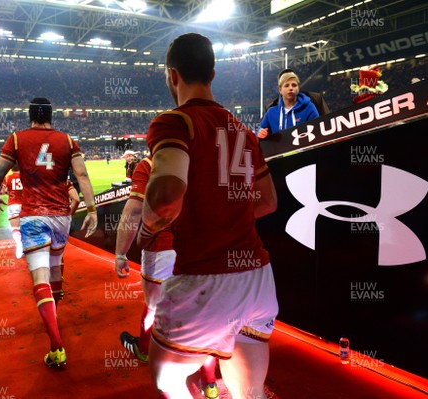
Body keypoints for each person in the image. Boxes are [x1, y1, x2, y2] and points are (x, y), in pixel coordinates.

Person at [140, 33, 278, 399]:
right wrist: (225, 210)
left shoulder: (174, 122)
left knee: (166, 380)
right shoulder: (243, 132)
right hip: (258, 280)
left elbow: (167, 195)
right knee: (251, 392)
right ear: (212, 73)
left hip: (206, 279)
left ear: (173, 75)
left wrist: (148, 225)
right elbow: (267, 202)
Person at [0, 97, 98, 369]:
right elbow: (82, 175)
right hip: (61, 216)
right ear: (51, 116)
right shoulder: (67, 140)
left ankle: (56, 346)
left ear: (30, 116)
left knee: (40, 277)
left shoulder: (16, 139)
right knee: (56, 270)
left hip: (34, 216)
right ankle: (54, 321)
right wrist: (92, 209)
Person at [115, 156, 220, 399]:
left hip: (161, 251)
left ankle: (144, 350)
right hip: (199, 248)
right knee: (203, 314)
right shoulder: (201, 161)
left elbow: (133, 210)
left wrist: (121, 253)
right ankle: (210, 382)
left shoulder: (149, 165)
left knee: (154, 309)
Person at [257, 71, 319, 139]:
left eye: (294, 85)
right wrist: (260, 132)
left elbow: (318, 131)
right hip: (279, 149)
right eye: (286, 85)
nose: (291, 88)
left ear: (298, 88)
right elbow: (260, 129)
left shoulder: (309, 108)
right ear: (280, 90)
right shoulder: (271, 112)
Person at [3, 163, 24, 259]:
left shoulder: (8, 178)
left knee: (15, 228)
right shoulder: (25, 177)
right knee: (26, 227)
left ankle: (19, 245)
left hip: (13, 204)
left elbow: (2, 191)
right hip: (25, 204)